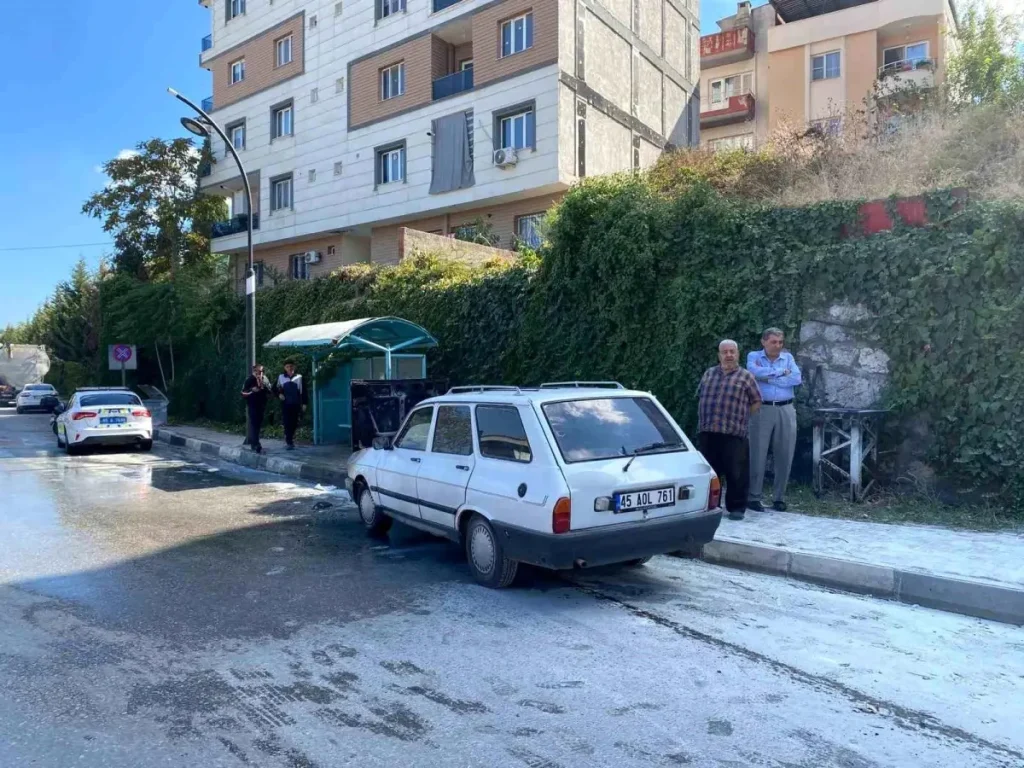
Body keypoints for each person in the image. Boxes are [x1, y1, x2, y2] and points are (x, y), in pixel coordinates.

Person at [697, 340, 762, 520]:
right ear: (719, 355)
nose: (729, 355)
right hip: (708, 431)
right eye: (725, 352)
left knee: (737, 472)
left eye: (732, 351)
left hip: (734, 432)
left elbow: (756, 401)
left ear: (737, 354)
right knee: (711, 472)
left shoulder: (746, 376)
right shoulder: (708, 373)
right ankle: (711, 505)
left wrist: (743, 416)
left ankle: (736, 508)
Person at [747, 327, 802, 512]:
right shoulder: (753, 356)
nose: (778, 346)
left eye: (780, 342)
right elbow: (753, 372)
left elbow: (796, 379)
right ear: (764, 342)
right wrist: (781, 373)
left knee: (785, 452)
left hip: (786, 408)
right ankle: (754, 497)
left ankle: (779, 497)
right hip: (762, 408)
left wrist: (768, 379)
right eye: (773, 342)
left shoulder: (788, 358)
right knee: (757, 452)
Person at [275, 359, 307, 451]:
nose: (289, 368)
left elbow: (303, 391)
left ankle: (291, 438)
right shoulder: (281, 377)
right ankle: (289, 441)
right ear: (284, 368)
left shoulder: (299, 377)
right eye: (287, 367)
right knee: (287, 422)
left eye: (291, 366)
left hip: (296, 403)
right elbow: (275, 389)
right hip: (286, 404)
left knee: (294, 422)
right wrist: (279, 394)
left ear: (294, 367)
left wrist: (304, 403)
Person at [241, 363, 272, 454]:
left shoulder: (264, 379)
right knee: (254, 423)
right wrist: (251, 390)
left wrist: (265, 388)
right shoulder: (249, 380)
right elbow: (243, 393)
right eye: (257, 370)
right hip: (252, 404)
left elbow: (270, 391)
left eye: (261, 371)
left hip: (262, 404)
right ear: (254, 371)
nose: (259, 372)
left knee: (258, 424)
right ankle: (255, 443)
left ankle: (255, 442)